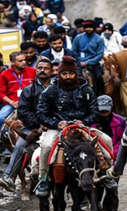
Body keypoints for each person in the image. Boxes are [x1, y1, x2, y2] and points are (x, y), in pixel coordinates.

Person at [34, 56, 98, 197]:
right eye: (64, 74)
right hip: (57, 127)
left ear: (76, 74)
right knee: (46, 147)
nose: (68, 77)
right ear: (59, 74)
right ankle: (43, 179)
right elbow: (41, 113)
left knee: (106, 141)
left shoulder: (86, 90)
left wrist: (84, 121)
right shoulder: (50, 90)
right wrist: (56, 123)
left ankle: (107, 174)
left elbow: (94, 111)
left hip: (81, 126)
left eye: (71, 74)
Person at [0, 58, 53, 192]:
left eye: (46, 68)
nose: (42, 71)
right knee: (21, 145)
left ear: (51, 71)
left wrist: (52, 123)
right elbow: (23, 111)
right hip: (34, 126)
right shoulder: (28, 90)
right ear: (36, 71)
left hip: (55, 125)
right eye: (39, 68)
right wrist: (38, 125)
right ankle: (9, 176)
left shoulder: (57, 87)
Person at [92, 95, 126, 211]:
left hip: (114, 160)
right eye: (101, 111)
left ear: (111, 108)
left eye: (106, 111)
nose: (103, 114)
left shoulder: (120, 121)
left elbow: (123, 141)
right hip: (95, 160)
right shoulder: (91, 121)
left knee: (112, 189)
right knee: (96, 188)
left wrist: (113, 155)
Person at [0, 52, 37, 150]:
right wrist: (12, 102)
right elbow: (1, 93)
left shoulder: (32, 71)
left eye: (24, 60)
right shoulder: (4, 74)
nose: (24, 62)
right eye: (20, 61)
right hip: (12, 104)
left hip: (30, 103)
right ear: (12, 62)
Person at [72, 20, 107, 95]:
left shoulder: (99, 39)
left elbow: (100, 54)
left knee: (99, 78)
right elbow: (74, 52)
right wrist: (79, 62)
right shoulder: (78, 38)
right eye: (86, 27)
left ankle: (100, 95)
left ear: (93, 28)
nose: (88, 29)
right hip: (79, 63)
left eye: (90, 27)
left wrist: (87, 62)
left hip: (93, 63)